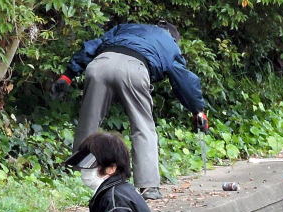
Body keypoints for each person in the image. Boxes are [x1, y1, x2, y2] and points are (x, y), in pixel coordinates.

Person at [55, 22, 209, 200]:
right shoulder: (169, 43)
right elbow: (184, 80)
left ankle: (77, 175)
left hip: (100, 65)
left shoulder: (127, 28)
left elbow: (92, 45)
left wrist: (67, 75)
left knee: (89, 121)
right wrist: (198, 110)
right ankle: (148, 186)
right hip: (134, 70)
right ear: (174, 36)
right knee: (143, 127)